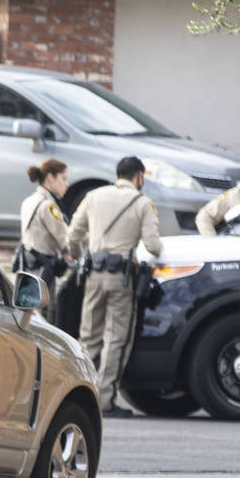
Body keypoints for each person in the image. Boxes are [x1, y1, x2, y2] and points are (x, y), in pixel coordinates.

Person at [68, 156, 163, 418]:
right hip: (121, 278)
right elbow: (154, 246)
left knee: (88, 337)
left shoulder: (94, 196)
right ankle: (105, 399)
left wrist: (81, 256)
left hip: (93, 274)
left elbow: (72, 236)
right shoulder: (142, 203)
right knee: (117, 338)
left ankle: (76, 394)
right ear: (139, 177)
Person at [17, 158, 70, 289]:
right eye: (63, 179)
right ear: (50, 177)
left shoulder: (29, 200)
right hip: (43, 269)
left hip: (29, 267)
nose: (66, 184)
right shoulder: (48, 205)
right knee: (44, 308)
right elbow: (65, 240)